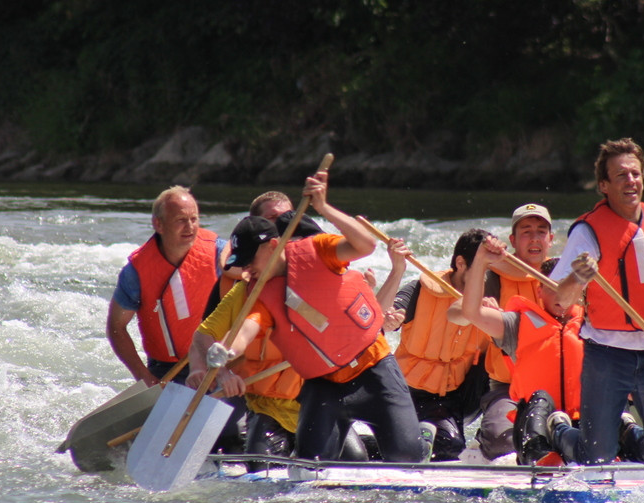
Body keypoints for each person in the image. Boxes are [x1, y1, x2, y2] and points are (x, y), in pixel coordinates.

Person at [196, 169, 427, 463]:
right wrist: (226, 351)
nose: (245, 271)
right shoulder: (259, 292)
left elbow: (365, 245)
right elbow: (245, 330)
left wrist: (323, 207)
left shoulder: (316, 249)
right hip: (324, 385)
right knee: (311, 464)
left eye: (249, 262)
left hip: (373, 368)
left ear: (271, 246)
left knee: (405, 455)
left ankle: (422, 442)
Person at [549, 137, 644, 464]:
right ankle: (560, 431)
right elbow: (557, 298)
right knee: (596, 458)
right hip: (606, 355)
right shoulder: (586, 232)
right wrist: (578, 277)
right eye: (621, 176)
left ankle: (628, 433)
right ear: (603, 185)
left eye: (635, 174)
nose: (631, 181)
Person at [460, 238, 585, 464]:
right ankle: (540, 456)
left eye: (566, 288)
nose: (560, 297)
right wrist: (480, 261)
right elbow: (471, 312)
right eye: (552, 288)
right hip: (535, 421)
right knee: (540, 400)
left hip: (579, 418)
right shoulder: (517, 323)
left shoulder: (593, 325)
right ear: (539, 290)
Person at [458, 203, 556, 461]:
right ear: (512, 240)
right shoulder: (494, 277)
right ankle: (487, 435)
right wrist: (480, 302)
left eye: (541, 231)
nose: (534, 238)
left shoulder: (563, 278)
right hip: (508, 386)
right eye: (526, 232)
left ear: (551, 239)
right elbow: (460, 311)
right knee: (504, 445)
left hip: (557, 383)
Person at [106, 186, 227, 386]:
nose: (190, 227)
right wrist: (143, 377)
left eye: (194, 219)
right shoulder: (135, 273)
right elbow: (116, 327)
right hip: (168, 369)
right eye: (181, 220)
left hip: (220, 360)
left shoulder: (219, 252)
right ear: (159, 225)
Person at [388, 228, 493, 460]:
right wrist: (387, 319)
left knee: (451, 447)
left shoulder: (494, 294)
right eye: (481, 266)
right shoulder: (418, 289)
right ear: (461, 263)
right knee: (401, 450)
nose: (485, 275)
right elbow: (383, 323)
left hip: (456, 394)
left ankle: (493, 437)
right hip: (409, 391)